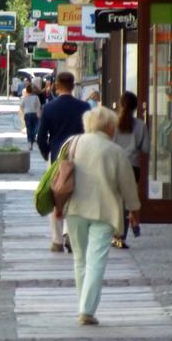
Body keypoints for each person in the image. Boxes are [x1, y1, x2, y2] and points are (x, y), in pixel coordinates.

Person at [62, 107, 141, 325]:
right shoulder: (115, 151)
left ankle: (84, 305)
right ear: (108, 126)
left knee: (80, 258)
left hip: (75, 208)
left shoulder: (72, 144)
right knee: (96, 260)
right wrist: (134, 211)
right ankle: (86, 310)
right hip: (104, 211)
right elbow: (127, 186)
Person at [37, 71, 91, 253]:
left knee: (57, 195)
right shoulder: (84, 107)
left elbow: (41, 137)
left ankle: (57, 240)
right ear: (73, 86)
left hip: (57, 157)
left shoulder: (49, 108)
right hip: (80, 156)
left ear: (57, 86)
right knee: (76, 195)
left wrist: (47, 154)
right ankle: (71, 234)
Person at [112, 92, 149, 249]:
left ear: (120, 105)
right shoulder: (141, 125)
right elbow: (145, 148)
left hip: (113, 165)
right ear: (135, 107)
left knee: (115, 201)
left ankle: (115, 234)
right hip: (132, 167)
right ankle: (122, 236)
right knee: (126, 201)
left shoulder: (112, 124)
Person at [20, 84, 41, 150]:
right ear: (32, 91)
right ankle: (33, 138)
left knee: (29, 128)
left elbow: (21, 106)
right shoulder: (36, 97)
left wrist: (24, 111)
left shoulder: (24, 98)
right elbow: (38, 106)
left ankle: (30, 142)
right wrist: (38, 113)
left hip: (27, 114)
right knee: (35, 128)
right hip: (34, 114)